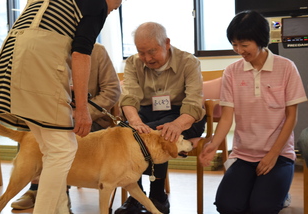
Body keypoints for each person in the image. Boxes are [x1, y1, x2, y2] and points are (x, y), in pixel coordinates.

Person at [0, 1, 122, 214]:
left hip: (10, 57)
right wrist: (82, 109)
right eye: (115, 8)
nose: (111, 11)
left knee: (51, 149)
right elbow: (80, 54)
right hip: (36, 58)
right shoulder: (98, 4)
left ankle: (59, 209)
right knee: (63, 149)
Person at [199, 10, 307, 214]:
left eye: (244, 44)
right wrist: (213, 144)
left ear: (260, 40)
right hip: (243, 155)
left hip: (279, 154)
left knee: (262, 207)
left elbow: (291, 117)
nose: (238, 50)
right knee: (227, 206)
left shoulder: (286, 68)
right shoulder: (232, 71)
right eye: (234, 44)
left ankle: (280, 194)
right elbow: (227, 117)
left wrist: (273, 155)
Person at [10, 43, 121, 211]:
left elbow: (112, 90)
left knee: (63, 140)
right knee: (31, 134)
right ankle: (36, 187)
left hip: (91, 119)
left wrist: (84, 112)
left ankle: (57, 194)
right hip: (54, 116)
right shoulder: (47, 49)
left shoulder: (97, 51)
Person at [115, 22, 207, 214]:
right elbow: (129, 98)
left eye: (152, 51)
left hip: (183, 115)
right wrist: (135, 123)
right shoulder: (133, 63)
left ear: (166, 43)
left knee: (160, 133)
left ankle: (158, 197)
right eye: (141, 52)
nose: (147, 58)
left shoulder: (189, 62)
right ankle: (136, 197)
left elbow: (193, 104)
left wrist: (177, 125)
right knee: (127, 133)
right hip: (147, 113)